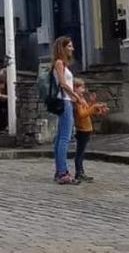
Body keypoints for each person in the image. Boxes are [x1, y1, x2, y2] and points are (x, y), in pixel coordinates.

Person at [50, 36, 83, 185]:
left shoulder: (62, 64)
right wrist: (76, 96)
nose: (72, 49)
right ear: (62, 48)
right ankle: (63, 172)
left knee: (60, 137)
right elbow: (63, 84)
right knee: (64, 137)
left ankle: (59, 170)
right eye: (69, 46)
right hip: (65, 101)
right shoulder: (59, 63)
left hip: (66, 100)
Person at [72, 79, 109, 182]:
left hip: (86, 128)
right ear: (75, 88)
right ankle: (79, 173)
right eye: (81, 87)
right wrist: (93, 107)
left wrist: (93, 103)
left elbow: (86, 109)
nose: (84, 90)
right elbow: (82, 115)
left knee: (81, 152)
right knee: (80, 152)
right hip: (82, 129)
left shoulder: (81, 99)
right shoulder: (77, 101)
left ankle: (81, 172)